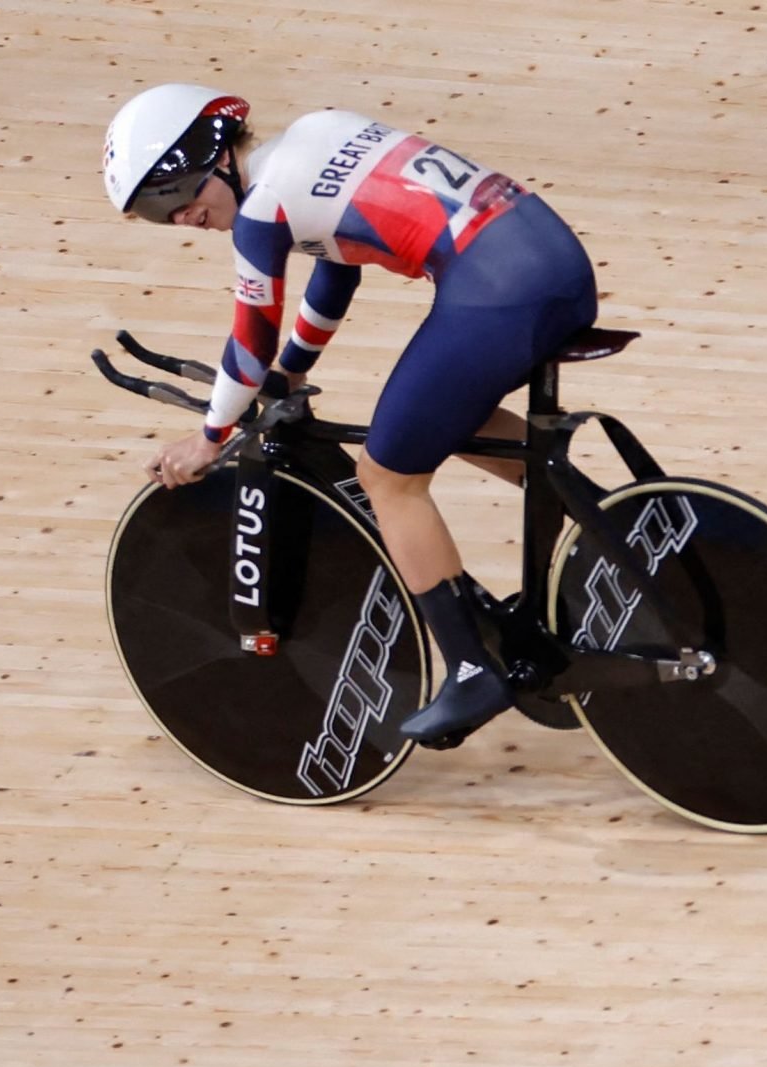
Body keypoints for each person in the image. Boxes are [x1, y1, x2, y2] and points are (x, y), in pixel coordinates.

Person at [103, 83, 601, 746]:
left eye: (172, 197)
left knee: (387, 476)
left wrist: (209, 436)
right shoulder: (318, 130)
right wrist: (294, 370)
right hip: (549, 259)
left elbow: (249, 339)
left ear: (212, 155)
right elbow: (337, 271)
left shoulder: (263, 210)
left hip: (498, 289)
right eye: (157, 215)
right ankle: (618, 519)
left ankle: (474, 669)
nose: (180, 220)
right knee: (443, 420)